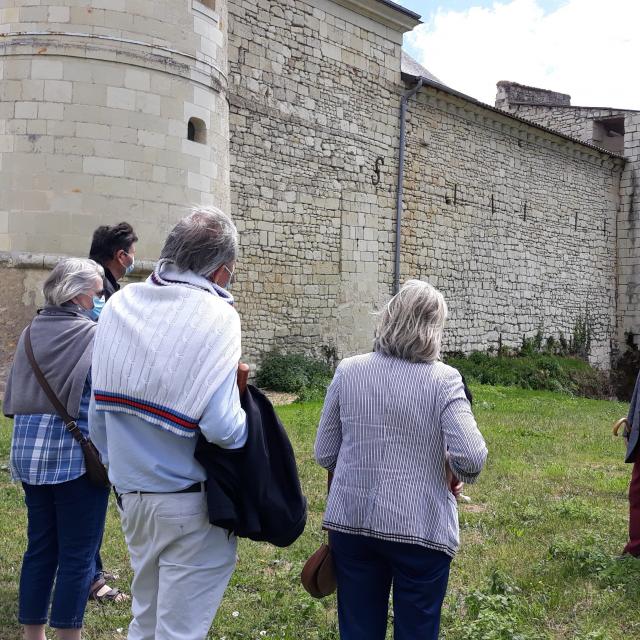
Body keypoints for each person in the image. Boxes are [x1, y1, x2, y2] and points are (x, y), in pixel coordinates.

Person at [89, 207, 247, 640]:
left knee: (147, 618)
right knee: (179, 631)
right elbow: (223, 429)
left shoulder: (120, 304)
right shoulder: (217, 316)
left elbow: (97, 414)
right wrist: (245, 415)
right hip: (188, 500)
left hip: (132, 496)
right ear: (220, 272)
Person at [314, 279, 488, 640]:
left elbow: (325, 452)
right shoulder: (445, 380)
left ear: (388, 318)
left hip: (353, 521)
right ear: (434, 329)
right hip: (420, 527)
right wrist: (448, 466)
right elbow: (471, 459)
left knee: (358, 631)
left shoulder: (348, 370)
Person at [3, 258, 116, 640]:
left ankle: (32, 635)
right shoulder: (93, 335)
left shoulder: (30, 332)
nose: (102, 300)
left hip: (29, 457)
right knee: (77, 556)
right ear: (81, 295)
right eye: (99, 294)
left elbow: (13, 398)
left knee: (40, 550)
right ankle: (69, 636)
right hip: (75, 459)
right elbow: (103, 402)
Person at [89, 222, 138, 305]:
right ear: (121, 256)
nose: (133, 259)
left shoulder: (82, 279)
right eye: (133, 253)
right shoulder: (103, 291)